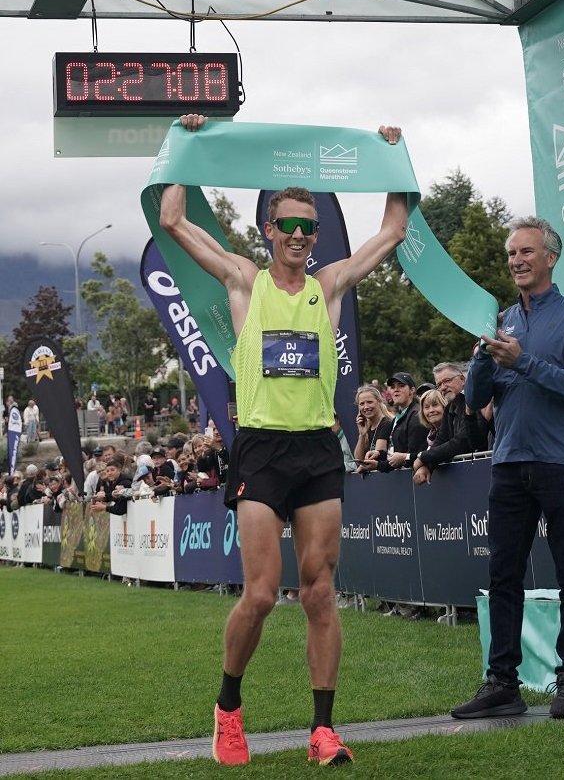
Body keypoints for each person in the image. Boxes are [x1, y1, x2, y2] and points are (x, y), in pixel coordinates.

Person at [159, 113, 407, 767]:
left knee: (320, 591)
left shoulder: (327, 287)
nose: (298, 236)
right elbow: (173, 222)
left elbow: (392, 232)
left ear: (315, 235)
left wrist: (393, 162)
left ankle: (323, 730)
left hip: (318, 449)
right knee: (263, 593)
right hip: (262, 448)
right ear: (269, 230)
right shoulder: (245, 281)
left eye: (308, 228)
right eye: (287, 226)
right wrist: (181, 145)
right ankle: (229, 707)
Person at [451, 216, 564, 721]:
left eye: (526, 252)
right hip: (510, 463)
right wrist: (480, 358)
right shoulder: (500, 324)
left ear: (550, 258)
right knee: (504, 575)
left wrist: (523, 363)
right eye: (511, 253)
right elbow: (475, 400)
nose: (516, 260)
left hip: (562, 463)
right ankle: (502, 683)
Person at [412, 362, 489, 485]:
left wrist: (423, 457)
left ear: (462, 379)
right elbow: (441, 440)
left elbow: (462, 441)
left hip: (481, 473)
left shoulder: (474, 400)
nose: (443, 387)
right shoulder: (450, 408)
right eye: (439, 384)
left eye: (447, 381)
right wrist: (427, 466)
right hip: (463, 477)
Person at [359, 372, 427, 474]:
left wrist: (378, 465)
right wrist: (379, 454)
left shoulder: (416, 415)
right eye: (392, 387)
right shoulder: (398, 417)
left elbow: (413, 455)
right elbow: (396, 453)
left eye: (401, 386)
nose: (396, 389)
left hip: (413, 480)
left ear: (412, 390)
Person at [351, 384, 393, 471]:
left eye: (369, 402)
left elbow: (377, 458)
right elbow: (358, 459)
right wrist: (362, 435)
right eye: (362, 404)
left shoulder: (386, 423)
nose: (366, 407)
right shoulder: (368, 427)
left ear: (379, 402)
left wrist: (363, 467)